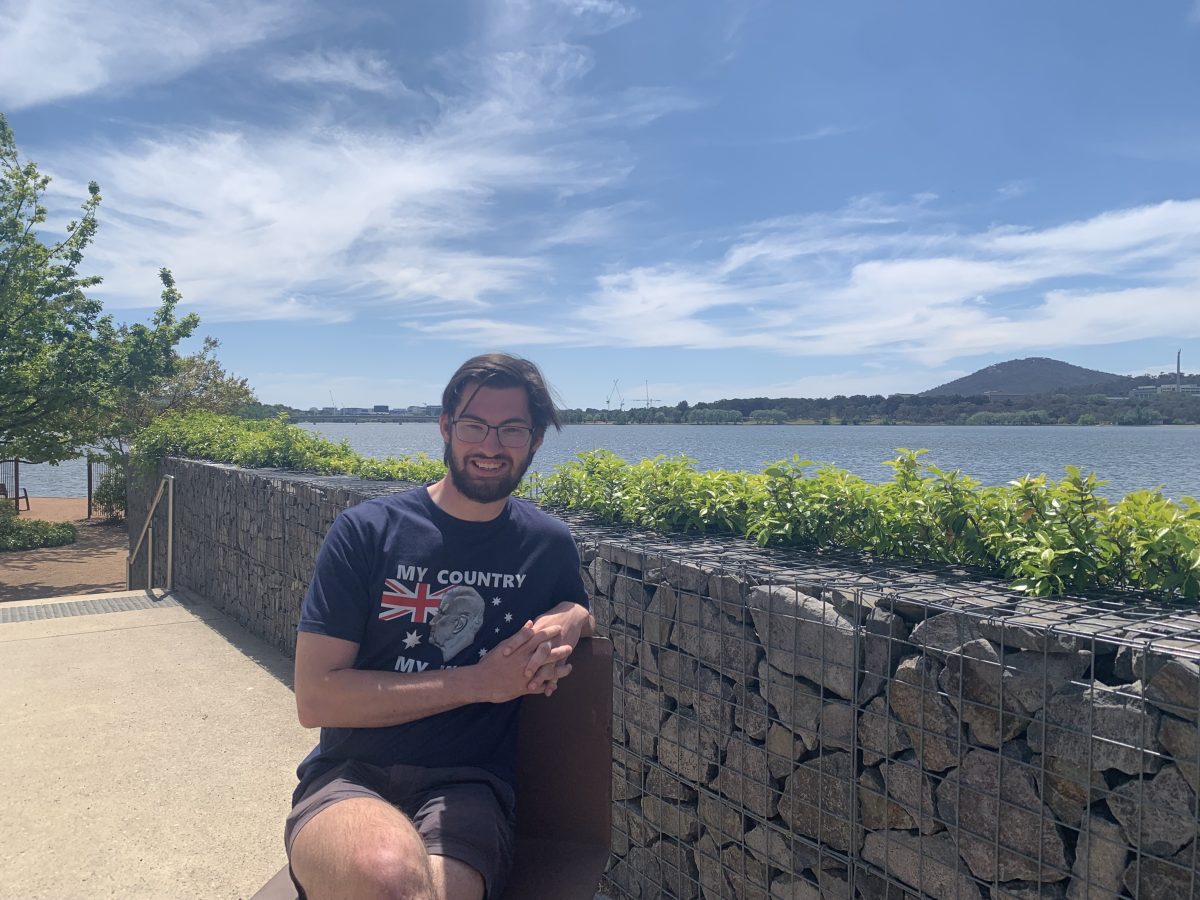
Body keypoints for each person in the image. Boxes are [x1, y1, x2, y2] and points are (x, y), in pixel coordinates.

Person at [286, 353, 594, 900]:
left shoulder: (547, 544)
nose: (491, 446)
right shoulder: (367, 531)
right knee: (387, 876)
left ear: (536, 440)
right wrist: (476, 682)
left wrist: (574, 615)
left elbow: (573, 605)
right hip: (347, 775)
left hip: (471, 785)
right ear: (446, 428)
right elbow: (316, 699)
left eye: (512, 430)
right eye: (474, 425)